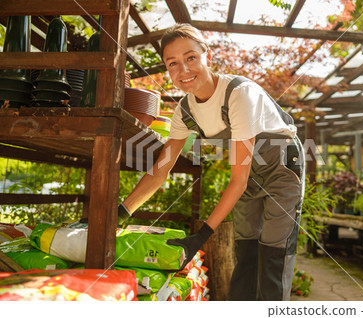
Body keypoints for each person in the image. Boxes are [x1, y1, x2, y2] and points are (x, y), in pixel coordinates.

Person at [117, 23, 305, 301]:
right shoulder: (185, 111)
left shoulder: (239, 93)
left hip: (281, 169)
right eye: (173, 63)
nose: (183, 70)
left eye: (191, 57)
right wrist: (121, 212)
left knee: (273, 254)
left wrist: (201, 236)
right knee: (246, 251)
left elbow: (237, 181)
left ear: (207, 54)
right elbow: (160, 170)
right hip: (248, 175)